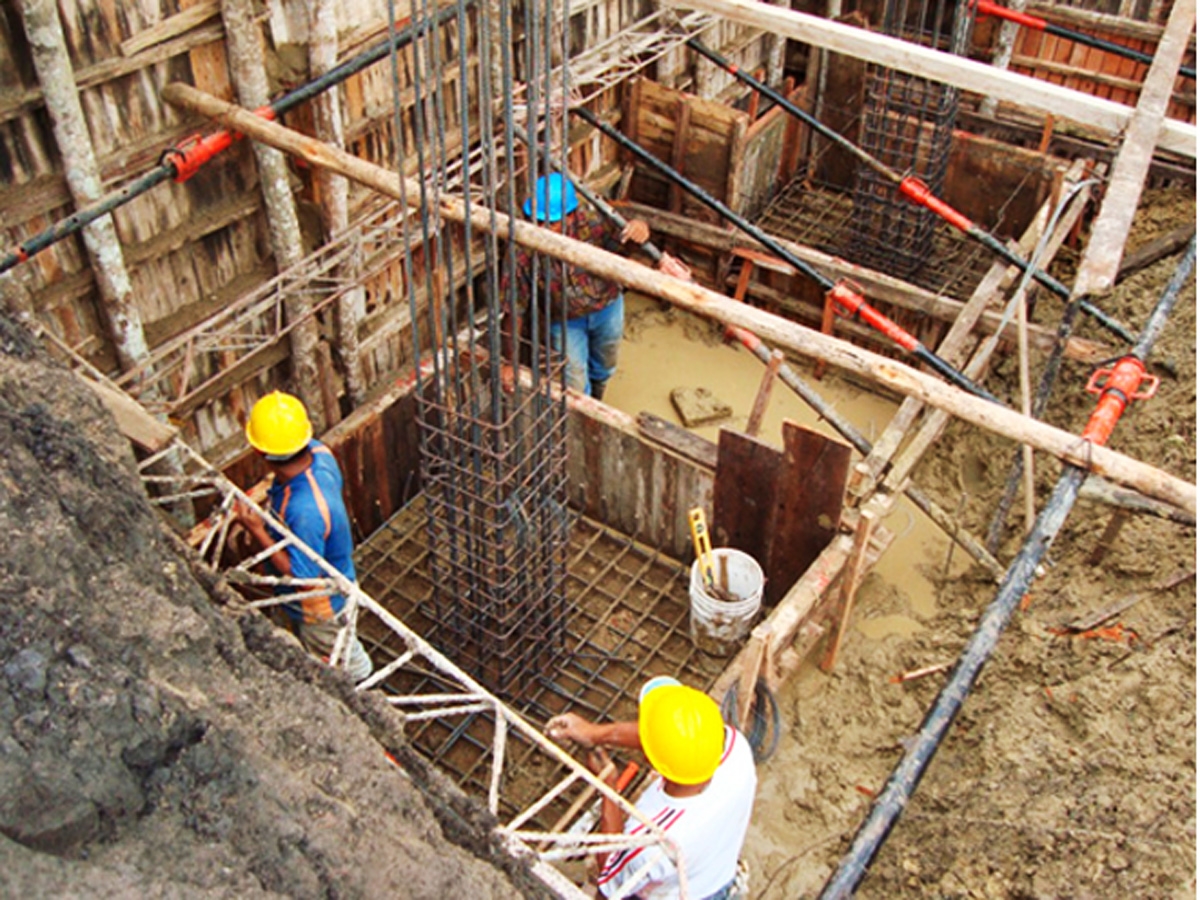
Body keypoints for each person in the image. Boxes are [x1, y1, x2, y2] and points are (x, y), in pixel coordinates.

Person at [547, 676, 757, 900]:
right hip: (715, 875)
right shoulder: (736, 751)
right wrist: (593, 733)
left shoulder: (655, 842)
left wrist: (607, 784)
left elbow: (610, 870)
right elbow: (675, 737)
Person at [505, 173, 690, 400]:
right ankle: (585, 418)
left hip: (607, 308)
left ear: (571, 216)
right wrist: (508, 362)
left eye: (550, 222)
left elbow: (628, 241)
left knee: (604, 367)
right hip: (564, 320)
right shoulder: (524, 247)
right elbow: (514, 307)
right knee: (573, 382)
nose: (542, 228)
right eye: (536, 220)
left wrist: (639, 228)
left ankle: (598, 399)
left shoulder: (593, 222)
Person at [234, 390, 374, 682]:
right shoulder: (320, 454)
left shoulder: (305, 511)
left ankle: (365, 687)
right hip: (337, 576)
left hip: (320, 605)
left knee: (344, 660)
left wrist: (258, 531)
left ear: (260, 453)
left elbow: (304, 577)